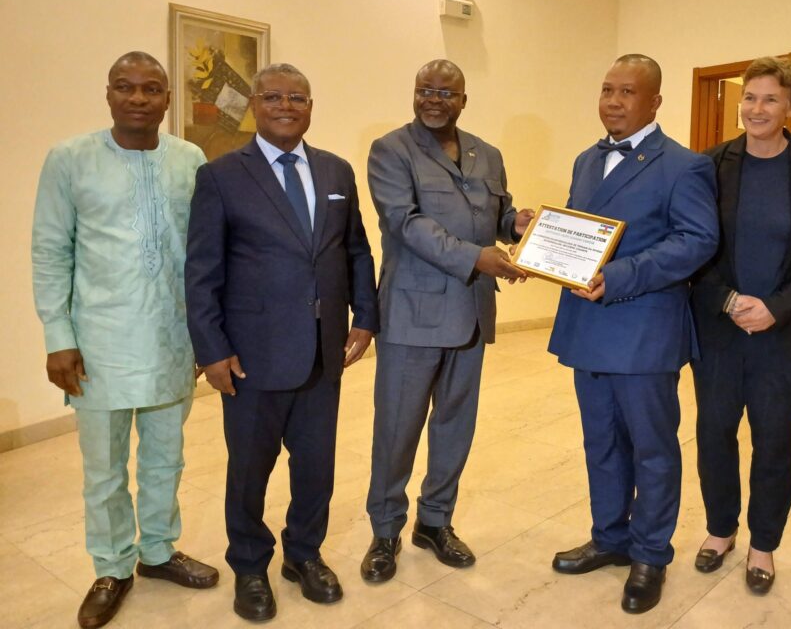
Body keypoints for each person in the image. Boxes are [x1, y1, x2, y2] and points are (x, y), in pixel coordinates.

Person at [185, 63, 378, 622]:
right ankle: (250, 565)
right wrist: (211, 349)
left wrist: (365, 316)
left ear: (311, 106)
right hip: (252, 356)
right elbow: (201, 272)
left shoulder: (336, 170)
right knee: (250, 470)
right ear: (255, 105)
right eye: (273, 97)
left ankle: (304, 554)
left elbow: (356, 250)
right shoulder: (221, 176)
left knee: (316, 466)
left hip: (323, 351)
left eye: (298, 98)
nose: (286, 106)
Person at [31, 52, 219, 629]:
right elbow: (50, 251)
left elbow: (203, 254)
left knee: (166, 458)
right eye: (125, 87)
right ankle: (111, 567)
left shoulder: (189, 159)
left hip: (171, 339)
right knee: (105, 468)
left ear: (168, 98)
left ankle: (158, 550)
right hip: (97, 345)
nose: (138, 98)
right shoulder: (70, 159)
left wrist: (204, 334)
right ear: (108, 94)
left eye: (151, 88)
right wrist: (58, 336)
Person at [547, 54, 719, 614]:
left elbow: (696, 241)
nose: (613, 102)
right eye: (607, 90)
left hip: (644, 329)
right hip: (587, 327)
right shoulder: (585, 160)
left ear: (655, 102)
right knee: (601, 442)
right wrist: (543, 248)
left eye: (627, 91)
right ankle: (610, 538)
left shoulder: (684, 165)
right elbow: (578, 231)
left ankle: (650, 554)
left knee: (652, 448)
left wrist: (619, 277)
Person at [360, 59, 533, 583]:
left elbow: (496, 215)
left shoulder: (488, 154)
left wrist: (518, 224)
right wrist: (476, 257)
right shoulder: (391, 151)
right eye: (425, 90)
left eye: (445, 93)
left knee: (455, 425)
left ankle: (435, 521)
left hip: (471, 312)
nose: (433, 100)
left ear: (463, 100)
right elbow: (406, 223)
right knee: (397, 428)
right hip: (412, 315)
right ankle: (385, 529)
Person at [689, 57, 791, 594]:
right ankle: (720, 529)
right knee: (714, 433)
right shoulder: (710, 164)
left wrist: (777, 306)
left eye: (771, 99)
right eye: (750, 97)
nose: (757, 109)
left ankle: (763, 544)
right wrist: (729, 300)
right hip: (719, 328)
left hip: (784, 332)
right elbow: (695, 244)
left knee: (775, 440)